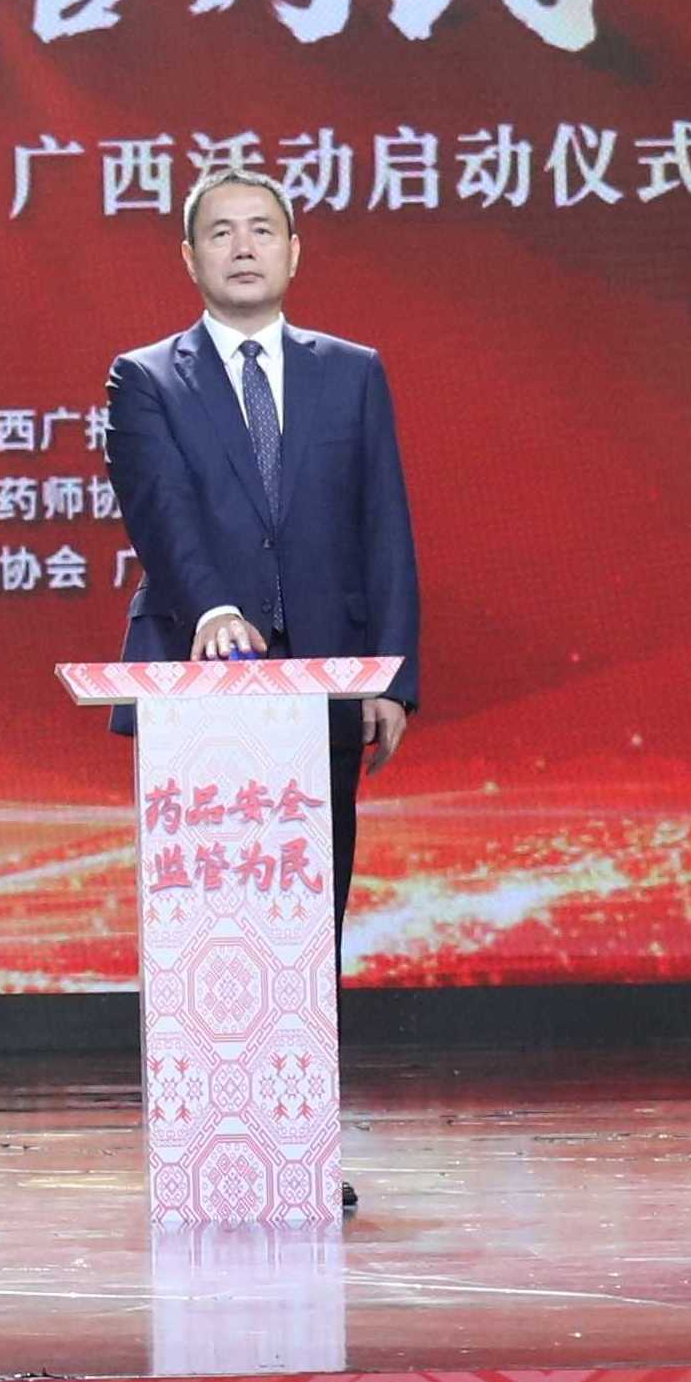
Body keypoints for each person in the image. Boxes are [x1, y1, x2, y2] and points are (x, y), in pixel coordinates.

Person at [100, 167, 422, 934]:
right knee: (206, 909)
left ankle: (308, 1023)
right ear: (189, 257)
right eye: (221, 233)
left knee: (310, 907)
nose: (243, 248)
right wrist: (212, 608)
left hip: (328, 673)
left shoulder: (351, 371)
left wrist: (391, 678)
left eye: (261, 231)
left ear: (293, 251)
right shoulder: (145, 377)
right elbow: (159, 511)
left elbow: (383, 526)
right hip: (195, 671)